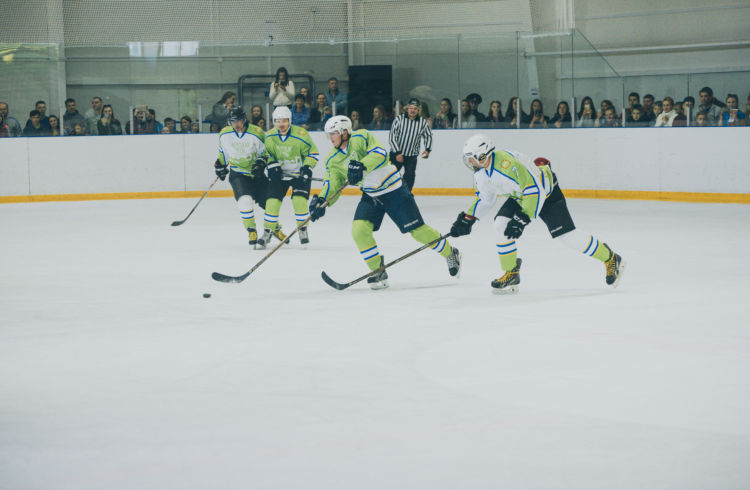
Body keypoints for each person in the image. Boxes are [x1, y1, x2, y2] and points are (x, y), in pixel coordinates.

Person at [449, 134, 625, 293]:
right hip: (520, 195)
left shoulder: (507, 165)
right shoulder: (481, 173)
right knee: (500, 225)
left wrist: (523, 217)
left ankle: (610, 258)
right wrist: (468, 218)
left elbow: (535, 190)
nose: (470, 163)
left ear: (483, 155)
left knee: (568, 237)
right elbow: (485, 199)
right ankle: (511, 271)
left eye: (472, 159)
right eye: (468, 159)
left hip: (546, 193)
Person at [309, 115, 461, 290]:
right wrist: (322, 201)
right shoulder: (332, 159)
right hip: (371, 195)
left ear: (345, 131)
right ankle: (377, 271)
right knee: (359, 230)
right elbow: (332, 183)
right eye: (328, 134)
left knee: (418, 232)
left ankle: (451, 253)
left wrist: (361, 165)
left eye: (333, 133)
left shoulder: (361, 137)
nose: (331, 138)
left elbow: (380, 154)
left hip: (394, 190)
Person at [258, 105, 320, 248]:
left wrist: (307, 168)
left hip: (299, 175)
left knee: (299, 201)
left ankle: (302, 229)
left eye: (284, 121)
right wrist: (272, 165)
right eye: (278, 121)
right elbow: (266, 154)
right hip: (279, 176)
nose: (281, 124)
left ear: (290, 121)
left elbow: (313, 153)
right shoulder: (270, 136)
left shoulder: (301, 134)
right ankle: (268, 232)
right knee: (272, 202)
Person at [213, 107, 269, 247]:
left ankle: (275, 228)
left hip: (256, 173)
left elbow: (265, 153)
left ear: (244, 119)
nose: (237, 124)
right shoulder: (224, 134)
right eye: (233, 121)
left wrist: (261, 163)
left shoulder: (257, 133)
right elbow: (223, 154)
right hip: (238, 173)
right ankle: (251, 230)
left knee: (267, 203)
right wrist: (220, 165)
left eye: (239, 121)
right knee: (245, 200)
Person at [388, 98, 432, 191]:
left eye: (415, 108)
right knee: (390, 175)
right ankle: (387, 194)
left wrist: (427, 149)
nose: (412, 110)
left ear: (418, 110)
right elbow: (392, 137)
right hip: (396, 155)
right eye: (411, 108)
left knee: (410, 176)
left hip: (411, 155)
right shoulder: (399, 119)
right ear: (407, 108)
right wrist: (397, 153)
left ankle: (406, 194)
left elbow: (428, 135)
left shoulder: (422, 122)